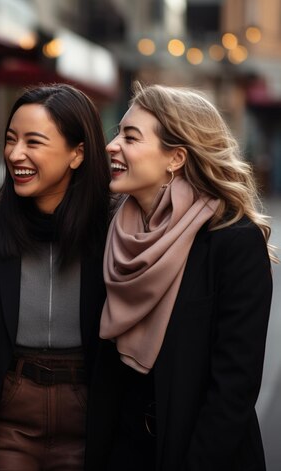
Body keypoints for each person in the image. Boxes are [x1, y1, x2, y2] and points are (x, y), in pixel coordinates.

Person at [85, 82, 274, 471]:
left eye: (130, 137)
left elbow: (233, 390)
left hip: (200, 453)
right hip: (122, 450)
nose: (111, 145)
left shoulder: (233, 242)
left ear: (175, 158)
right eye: (118, 132)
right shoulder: (111, 231)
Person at [0, 84, 111, 470]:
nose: (14, 154)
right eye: (10, 139)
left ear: (77, 153)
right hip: (10, 417)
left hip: (91, 414)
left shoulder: (114, 228)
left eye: (33, 142)